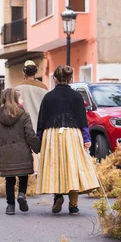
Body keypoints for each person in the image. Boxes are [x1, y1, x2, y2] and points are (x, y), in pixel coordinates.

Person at [36, 65, 99, 215]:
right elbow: (82, 119)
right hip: (72, 134)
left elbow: (41, 119)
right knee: (72, 167)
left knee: (55, 166)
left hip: (52, 134)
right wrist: (86, 138)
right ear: (70, 79)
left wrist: (38, 138)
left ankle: (58, 195)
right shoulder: (77, 97)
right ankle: (73, 205)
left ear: (55, 79)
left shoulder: (48, 96)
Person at [0, 88, 41, 215]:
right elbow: (29, 134)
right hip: (22, 152)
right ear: (16, 99)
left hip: (6, 154)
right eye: (21, 98)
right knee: (23, 177)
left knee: (9, 180)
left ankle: (10, 206)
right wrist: (38, 147)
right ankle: (22, 195)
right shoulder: (24, 115)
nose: (22, 100)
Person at [15, 60, 48, 132]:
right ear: (35, 72)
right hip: (40, 126)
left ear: (24, 73)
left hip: (23, 127)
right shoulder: (43, 88)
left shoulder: (17, 89)